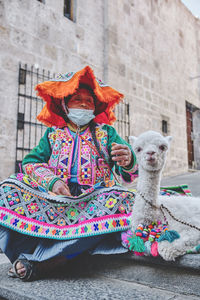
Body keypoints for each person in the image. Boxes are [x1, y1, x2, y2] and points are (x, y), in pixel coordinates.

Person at [0, 66, 137, 281]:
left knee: (121, 200)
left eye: (89, 100)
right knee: (8, 188)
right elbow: (30, 162)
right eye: (76, 98)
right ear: (64, 105)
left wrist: (128, 160)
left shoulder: (107, 133)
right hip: (55, 200)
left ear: (95, 108)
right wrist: (52, 183)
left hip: (94, 202)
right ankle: (25, 255)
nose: (84, 103)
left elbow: (128, 173)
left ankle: (48, 262)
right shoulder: (53, 134)